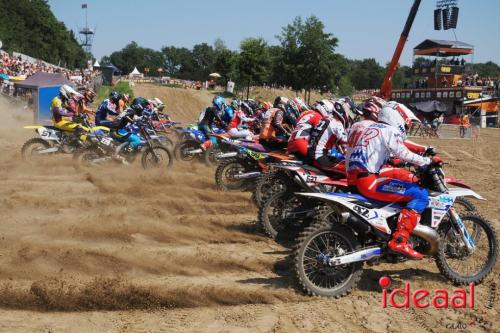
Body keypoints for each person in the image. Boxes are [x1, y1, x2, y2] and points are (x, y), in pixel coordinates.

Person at [347, 102, 442, 259]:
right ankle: (400, 240)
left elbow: (384, 154)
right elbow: (403, 152)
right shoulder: (389, 130)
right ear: (397, 117)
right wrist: (427, 161)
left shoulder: (372, 128)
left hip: (357, 178)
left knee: (400, 182)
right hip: (369, 181)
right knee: (420, 195)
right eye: (406, 123)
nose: (406, 126)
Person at [307, 99, 353, 173]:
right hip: (319, 156)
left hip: (312, 153)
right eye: (349, 112)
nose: (350, 116)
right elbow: (346, 141)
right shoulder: (337, 123)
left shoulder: (325, 118)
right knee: (351, 169)